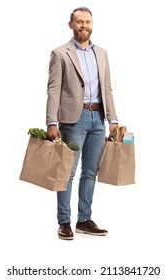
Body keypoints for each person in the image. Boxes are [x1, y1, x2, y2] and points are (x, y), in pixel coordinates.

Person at [46, 7, 118, 240]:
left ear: (92, 24)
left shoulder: (103, 53)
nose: (84, 26)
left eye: (87, 22)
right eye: (79, 22)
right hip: (72, 120)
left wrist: (113, 120)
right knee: (67, 171)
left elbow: (106, 88)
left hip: (98, 118)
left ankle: (84, 219)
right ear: (71, 25)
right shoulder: (60, 53)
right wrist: (51, 122)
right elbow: (53, 89)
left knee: (90, 171)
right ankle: (64, 221)